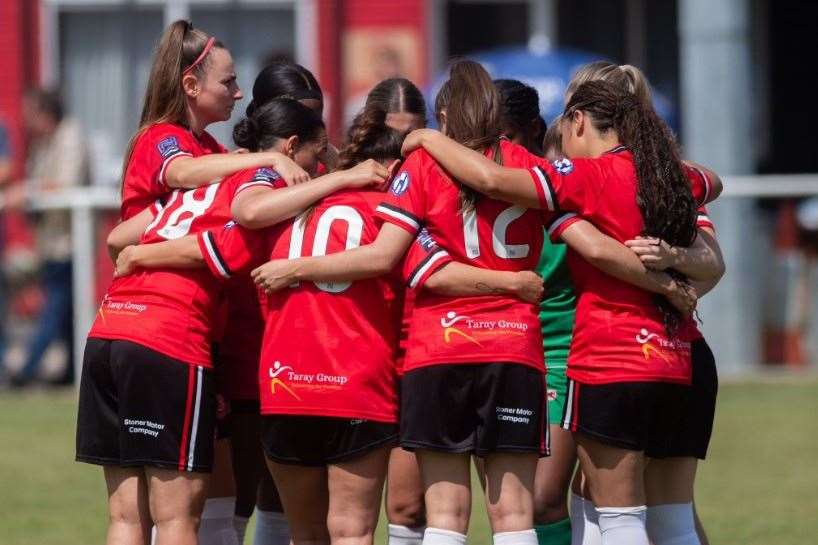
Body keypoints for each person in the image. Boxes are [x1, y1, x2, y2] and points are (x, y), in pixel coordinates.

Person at [397, 79, 720, 545]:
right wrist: (672, 274)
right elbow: (715, 187)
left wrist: (428, 138)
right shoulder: (670, 175)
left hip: (613, 357)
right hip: (681, 356)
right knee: (672, 520)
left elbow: (492, 181)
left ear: (580, 121)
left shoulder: (583, 177)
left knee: (618, 517)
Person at [79, 93, 386, 545]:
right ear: (290, 150)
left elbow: (119, 237)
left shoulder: (203, 184)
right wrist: (341, 181)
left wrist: (141, 256)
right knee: (178, 513)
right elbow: (227, 235)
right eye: (318, 155)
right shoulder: (256, 194)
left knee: (126, 515)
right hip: (167, 338)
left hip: (108, 331)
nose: (322, 167)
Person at [8, 89, 90, 387]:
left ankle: (25, 371)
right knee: (65, 308)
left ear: (46, 113)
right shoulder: (42, 143)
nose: (27, 121)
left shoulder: (70, 137)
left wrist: (27, 193)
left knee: (55, 305)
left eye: (32, 114)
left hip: (70, 240)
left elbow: (64, 184)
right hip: (50, 241)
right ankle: (68, 371)